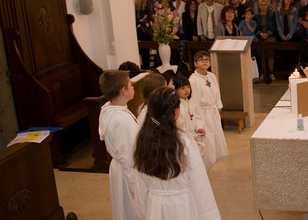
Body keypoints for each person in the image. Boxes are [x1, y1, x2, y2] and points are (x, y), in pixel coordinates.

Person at [133, 87, 221, 219]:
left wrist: (140, 213)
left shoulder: (142, 140)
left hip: (155, 206)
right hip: (183, 205)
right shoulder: (185, 142)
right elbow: (200, 183)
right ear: (176, 111)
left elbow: (140, 186)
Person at [98, 70, 142, 219]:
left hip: (120, 169)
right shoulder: (121, 120)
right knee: (131, 210)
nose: (133, 87)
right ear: (124, 91)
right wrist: (137, 188)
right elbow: (127, 157)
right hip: (127, 172)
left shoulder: (109, 108)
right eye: (131, 84)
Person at [189, 51, 229, 170]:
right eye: (201, 60)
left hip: (212, 111)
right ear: (196, 63)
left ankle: (216, 161)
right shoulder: (194, 80)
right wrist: (198, 120)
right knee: (208, 140)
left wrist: (217, 107)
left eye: (207, 60)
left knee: (216, 137)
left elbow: (217, 92)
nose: (205, 62)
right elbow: (193, 100)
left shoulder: (211, 76)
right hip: (202, 112)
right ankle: (206, 165)